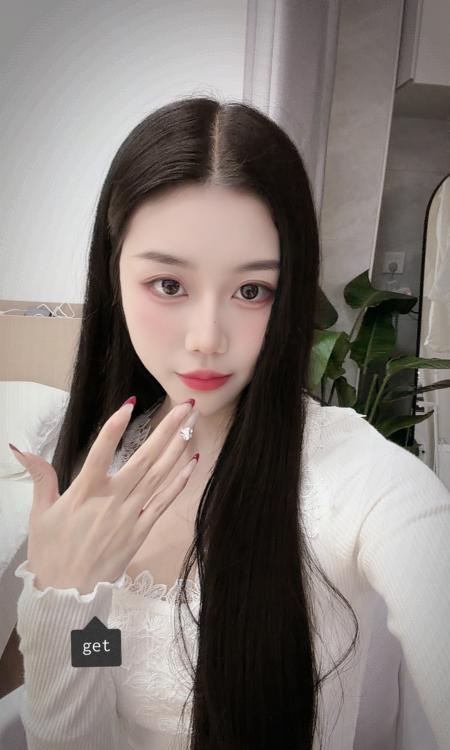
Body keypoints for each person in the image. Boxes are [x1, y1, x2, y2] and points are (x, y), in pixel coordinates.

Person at [9, 96, 450, 750]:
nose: (207, 339)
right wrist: (71, 598)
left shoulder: (355, 479)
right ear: (114, 272)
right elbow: (94, 702)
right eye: (168, 285)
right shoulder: (103, 460)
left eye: (252, 291)